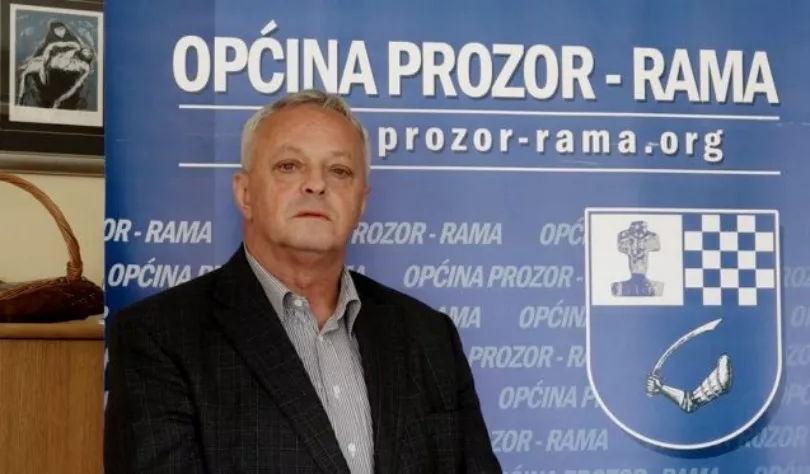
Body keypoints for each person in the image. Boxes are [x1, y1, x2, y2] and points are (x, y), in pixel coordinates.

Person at [103, 89, 502, 473]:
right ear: (245, 194)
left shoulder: (430, 335)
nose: (316, 184)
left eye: (339, 170)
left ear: (361, 202)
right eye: (289, 166)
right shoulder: (159, 336)